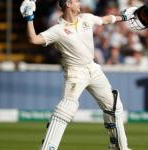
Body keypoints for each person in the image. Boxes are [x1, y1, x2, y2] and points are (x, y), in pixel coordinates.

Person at [20, 0, 135, 149]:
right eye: (76, 1)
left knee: (114, 106)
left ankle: (119, 147)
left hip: (93, 68)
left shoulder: (86, 18)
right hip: (75, 73)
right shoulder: (58, 29)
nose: (79, 3)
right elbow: (34, 39)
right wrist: (30, 19)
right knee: (66, 109)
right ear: (68, 4)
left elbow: (105, 19)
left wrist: (123, 17)